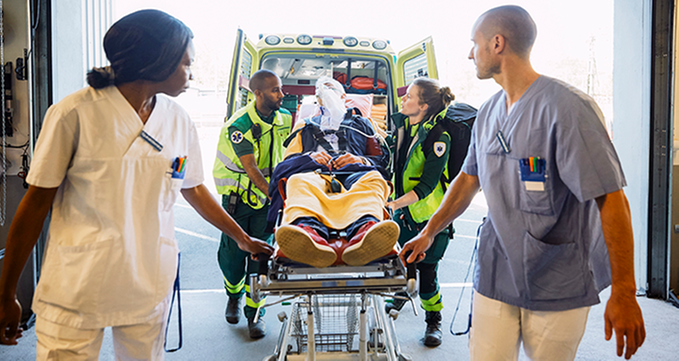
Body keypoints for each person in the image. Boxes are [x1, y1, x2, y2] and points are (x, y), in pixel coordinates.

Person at [0, 9, 273, 360]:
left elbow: (193, 188)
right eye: (186, 64)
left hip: (147, 281)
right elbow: (34, 207)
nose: (191, 73)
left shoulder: (177, 121)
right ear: (155, 63)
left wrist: (242, 238)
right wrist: (6, 293)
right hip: (78, 283)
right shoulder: (74, 114)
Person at [400, 5, 646, 360]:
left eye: (475, 43)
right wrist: (430, 231)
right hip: (497, 271)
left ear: (497, 43)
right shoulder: (487, 112)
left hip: (557, 276)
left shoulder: (569, 108)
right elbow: (468, 179)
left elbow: (611, 199)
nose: (471, 52)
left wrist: (624, 290)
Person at [271, 76, 398, 268]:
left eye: (330, 87)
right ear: (317, 99)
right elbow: (286, 165)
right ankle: (308, 233)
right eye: (321, 89)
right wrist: (310, 158)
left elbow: (383, 163)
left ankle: (366, 232)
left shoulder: (363, 124)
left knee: (373, 179)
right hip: (315, 174)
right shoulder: (305, 125)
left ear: (344, 96)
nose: (326, 90)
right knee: (296, 181)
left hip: (356, 174)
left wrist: (360, 160)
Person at [212, 69, 292, 338]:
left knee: (261, 257)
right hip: (239, 200)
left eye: (280, 89)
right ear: (257, 93)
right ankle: (233, 296)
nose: (281, 95)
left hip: (266, 202)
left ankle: (255, 314)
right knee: (234, 258)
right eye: (275, 91)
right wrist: (275, 196)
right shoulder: (240, 126)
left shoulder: (284, 119)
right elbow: (252, 168)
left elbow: (289, 155)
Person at [383, 77, 455, 347]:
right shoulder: (404, 128)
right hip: (405, 215)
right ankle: (402, 297)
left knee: (427, 272)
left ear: (423, 106)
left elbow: (426, 187)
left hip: (429, 218)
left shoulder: (438, 138)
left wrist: (391, 205)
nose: (403, 99)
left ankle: (433, 320)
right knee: (403, 262)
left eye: (409, 96)